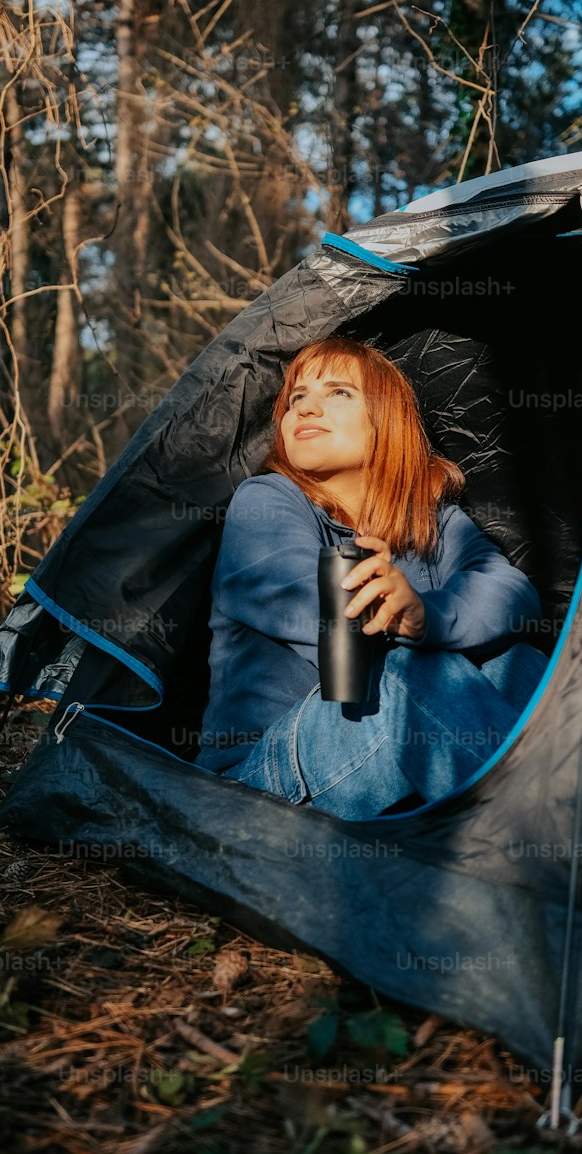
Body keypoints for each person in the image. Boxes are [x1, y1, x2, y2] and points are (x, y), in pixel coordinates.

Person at [194, 336, 550, 816]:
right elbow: (310, 607)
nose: (307, 408)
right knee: (410, 671)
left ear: (386, 421)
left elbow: (510, 592)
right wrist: (390, 616)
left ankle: (557, 828)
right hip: (261, 781)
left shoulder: (433, 521)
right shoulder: (266, 500)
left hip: (389, 750)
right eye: (297, 397)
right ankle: (553, 844)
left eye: (338, 392)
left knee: (519, 662)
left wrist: (427, 617)